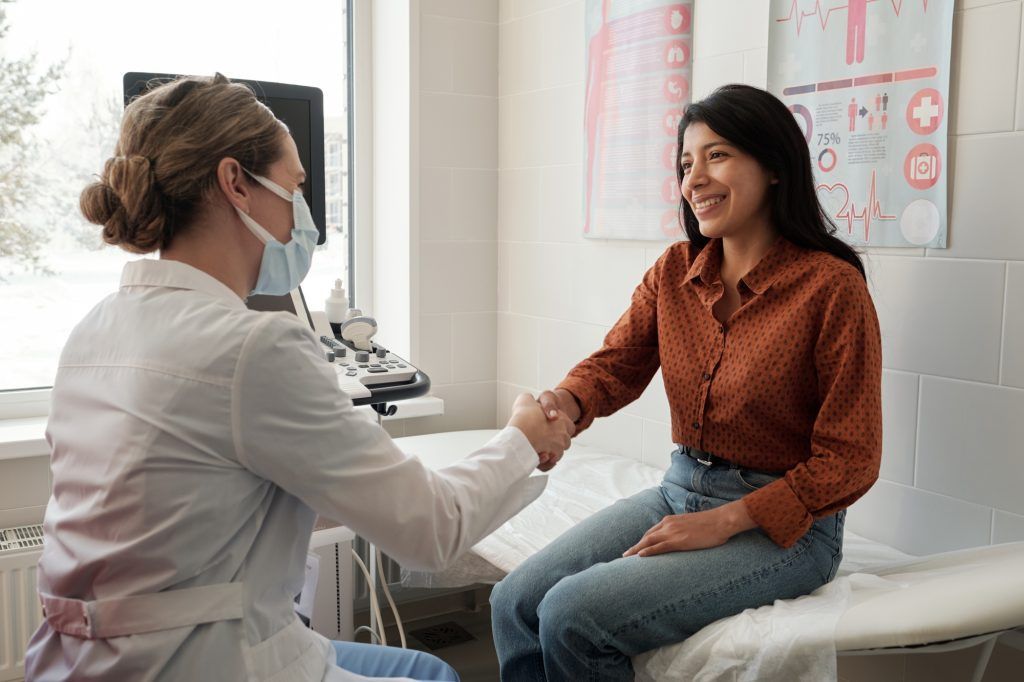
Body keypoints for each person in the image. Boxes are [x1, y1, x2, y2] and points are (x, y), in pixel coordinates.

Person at [24, 74, 575, 682]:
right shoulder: (254, 345)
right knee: (437, 675)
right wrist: (523, 438)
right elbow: (430, 530)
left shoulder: (95, 329)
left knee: (418, 668)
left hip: (73, 660)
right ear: (236, 183)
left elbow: (184, 498)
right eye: (294, 187)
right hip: (199, 661)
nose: (303, 216)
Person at [490, 84, 883, 681]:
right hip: (680, 488)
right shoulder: (676, 270)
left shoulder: (830, 288)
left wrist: (723, 521)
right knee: (513, 603)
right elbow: (617, 364)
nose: (693, 179)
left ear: (775, 167)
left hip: (789, 532)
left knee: (572, 614)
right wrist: (564, 404)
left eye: (717, 155)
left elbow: (851, 458)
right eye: (685, 163)